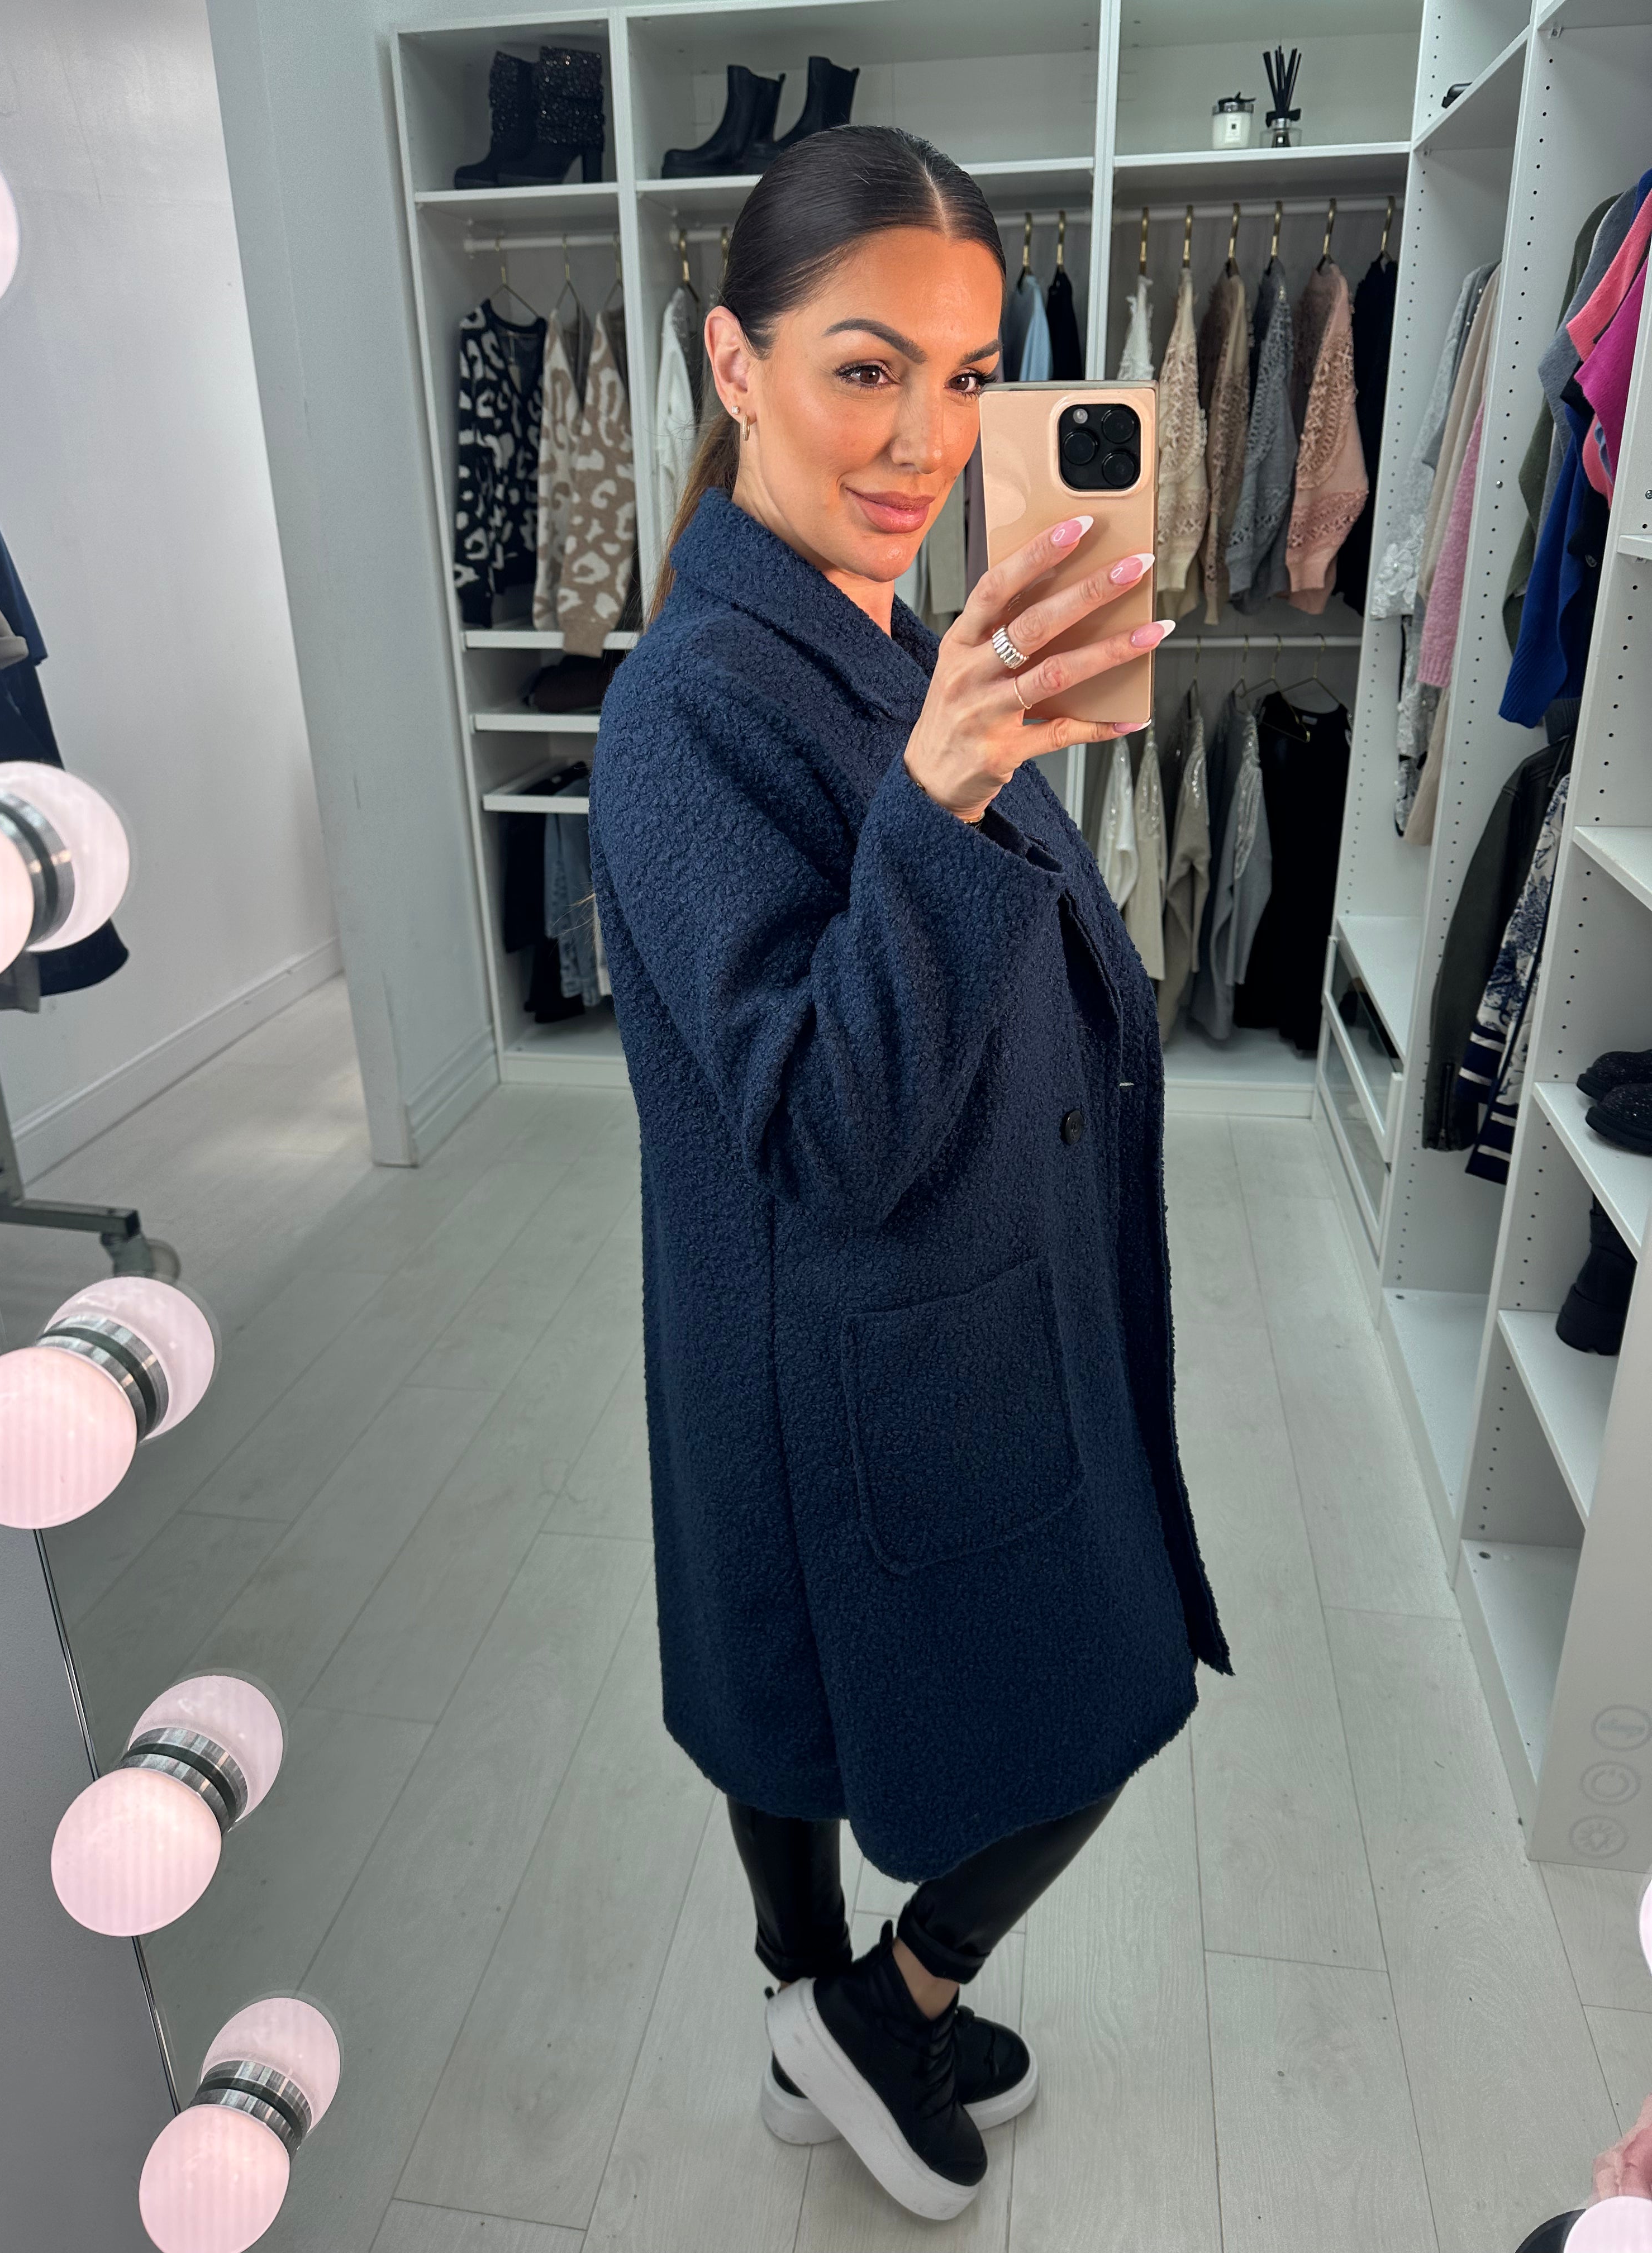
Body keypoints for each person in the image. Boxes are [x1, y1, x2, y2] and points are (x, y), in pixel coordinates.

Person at [588, 124, 1229, 2225]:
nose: (929, 440)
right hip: (851, 1328)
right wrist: (946, 800)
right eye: (866, 369)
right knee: (1098, 1687)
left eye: (967, 378)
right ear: (734, 363)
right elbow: (823, 1120)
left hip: (916, 1304)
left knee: (777, 1690)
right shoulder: (690, 708)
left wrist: (971, 758)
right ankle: (883, 2006)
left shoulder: (879, 631)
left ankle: (822, 2024)